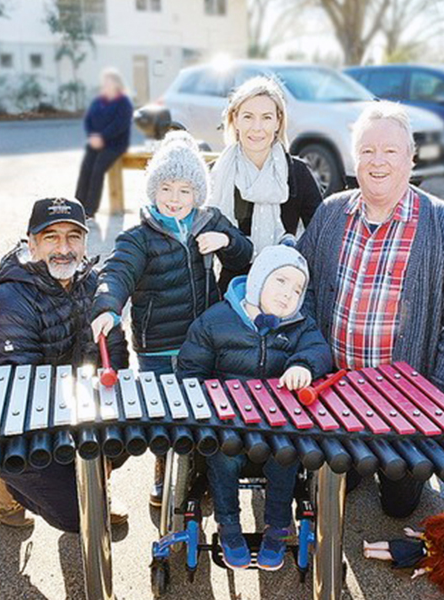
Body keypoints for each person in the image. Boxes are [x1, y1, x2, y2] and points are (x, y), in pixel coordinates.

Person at [91, 131, 253, 507]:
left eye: (184, 190)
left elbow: (245, 254)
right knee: (164, 413)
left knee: (204, 410)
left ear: (198, 193)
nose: (174, 199)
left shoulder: (211, 221)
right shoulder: (140, 236)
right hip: (159, 345)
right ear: (153, 191)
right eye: (166, 188)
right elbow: (117, 273)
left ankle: (200, 469)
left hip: (204, 341)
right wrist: (107, 306)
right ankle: (164, 467)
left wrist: (226, 243)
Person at [298, 101, 444, 518]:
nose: (377, 161)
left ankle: (395, 470)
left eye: (390, 151)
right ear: (353, 157)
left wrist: (433, 393)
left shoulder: (438, 222)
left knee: (398, 508)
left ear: (411, 159)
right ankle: (354, 458)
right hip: (335, 391)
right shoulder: (330, 213)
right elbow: (301, 290)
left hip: (404, 403)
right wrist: (311, 356)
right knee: (331, 490)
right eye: (367, 150)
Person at [177, 245, 332, 570]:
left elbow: (319, 349)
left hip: (276, 427)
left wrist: (304, 364)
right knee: (222, 457)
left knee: (287, 456)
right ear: (259, 279)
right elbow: (190, 372)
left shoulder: (300, 325)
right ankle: (229, 526)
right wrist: (209, 402)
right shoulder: (216, 320)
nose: (288, 294)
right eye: (280, 281)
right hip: (229, 424)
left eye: (297, 289)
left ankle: (277, 526)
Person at [0, 197, 130, 533]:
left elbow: (117, 352)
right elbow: (21, 390)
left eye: (73, 236)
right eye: (51, 237)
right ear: (31, 243)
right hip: (17, 418)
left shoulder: (94, 284)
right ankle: (10, 487)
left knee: (129, 432)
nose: (64, 248)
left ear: (85, 241)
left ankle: (95, 484)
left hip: (73, 400)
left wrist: (112, 408)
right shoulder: (10, 302)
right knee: (80, 516)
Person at [208, 76, 322, 292]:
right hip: (227, 293)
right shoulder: (216, 174)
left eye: (266, 117)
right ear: (235, 119)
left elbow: (320, 238)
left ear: (278, 121)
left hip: (283, 295)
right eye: (248, 117)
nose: (257, 128)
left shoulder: (297, 174)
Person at [75, 68, 132, 218]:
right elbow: (88, 120)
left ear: (116, 84)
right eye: (104, 81)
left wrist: (102, 137)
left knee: (97, 170)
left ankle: (89, 210)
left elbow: (120, 125)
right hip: (95, 142)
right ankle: (77, 206)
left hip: (114, 144)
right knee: (85, 169)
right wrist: (92, 136)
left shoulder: (123, 102)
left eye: (108, 81)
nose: (105, 84)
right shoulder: (98, 101)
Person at [363, 512, 444, 591]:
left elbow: (430, 566)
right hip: (414, 546)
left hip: (416, 555)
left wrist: (419, 571)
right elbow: (425, 536)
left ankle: (371, 553)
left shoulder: (436, 557)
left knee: (391, 555)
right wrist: (413, 534)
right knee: (391, 545)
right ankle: (369, 546)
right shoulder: (433, 541)